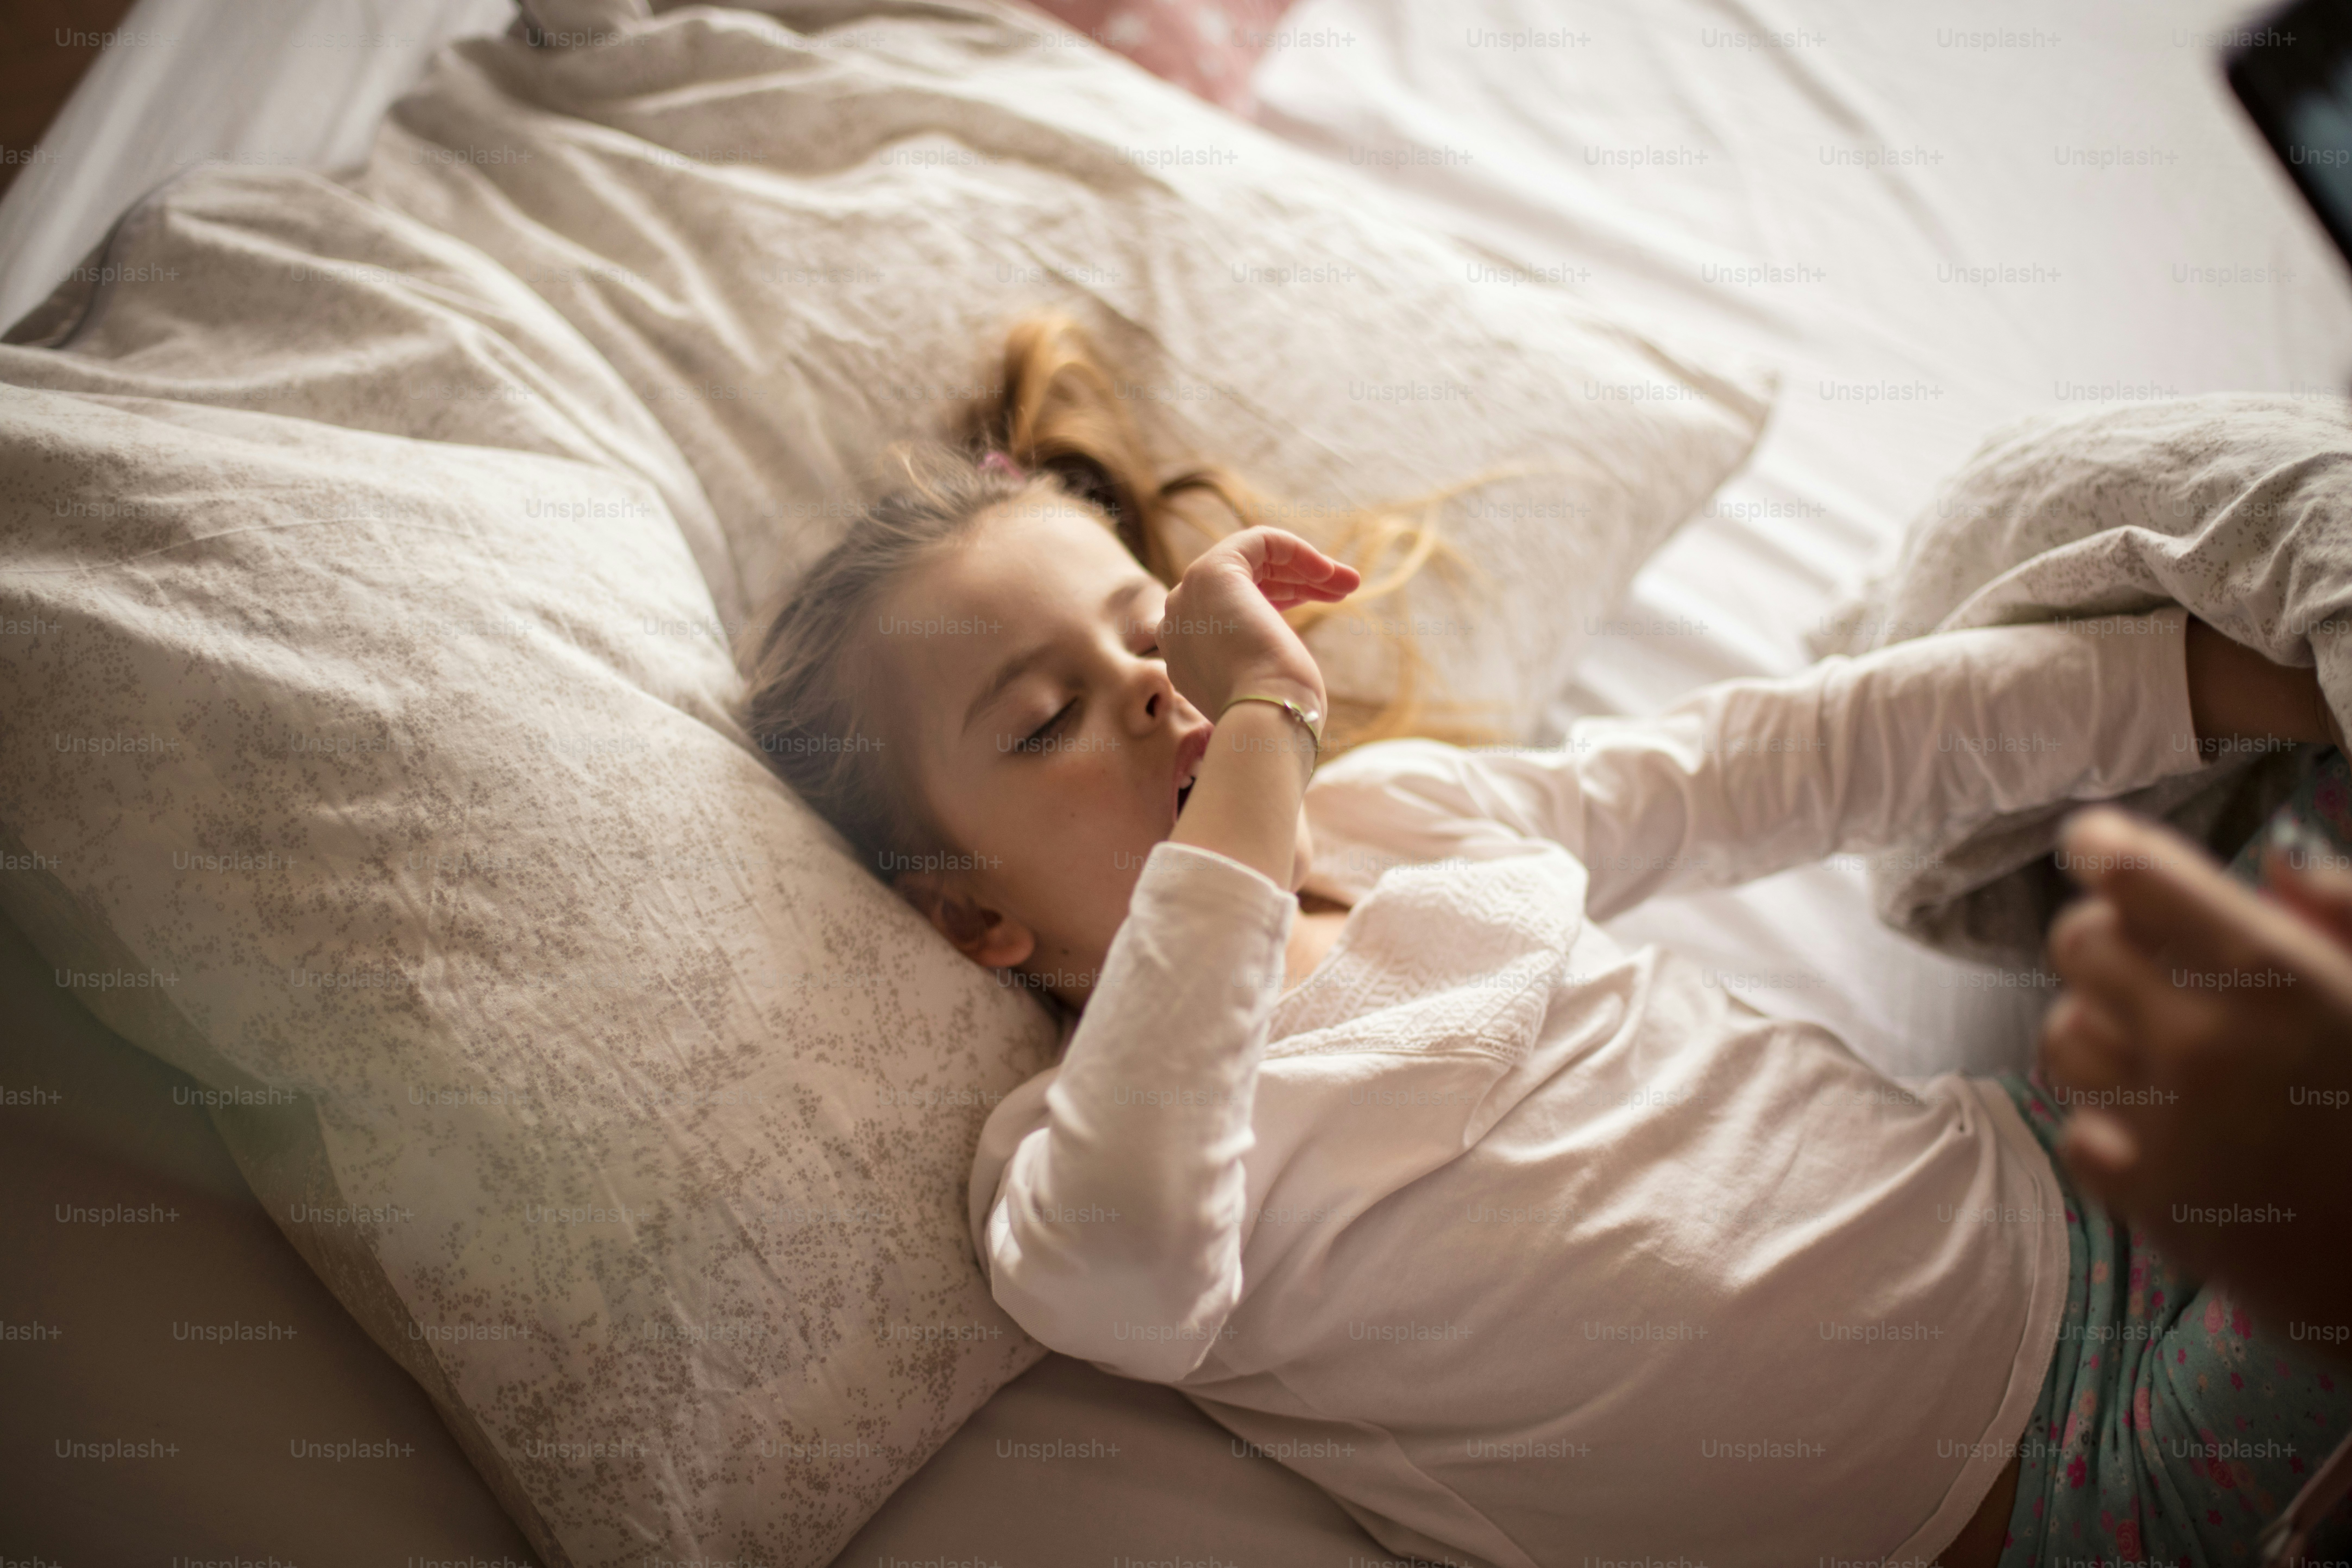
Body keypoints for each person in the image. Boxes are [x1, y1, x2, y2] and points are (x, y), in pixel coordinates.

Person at [742, 312, 2350, 1568]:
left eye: (1155, 636)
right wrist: (1255, 734)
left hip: (2084, 1166)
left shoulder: (1395, 822)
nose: (1159, 693)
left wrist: (2227, 691)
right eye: (1045, 723)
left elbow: (1785, 760)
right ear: (974, 915)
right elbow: (1132, 1273)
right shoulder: (1071, 1160)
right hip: (2087, 1497)